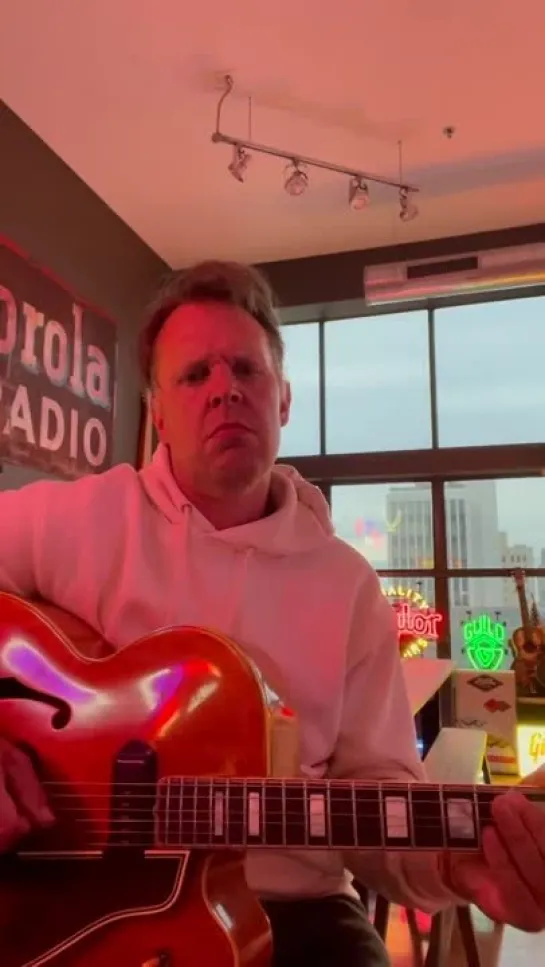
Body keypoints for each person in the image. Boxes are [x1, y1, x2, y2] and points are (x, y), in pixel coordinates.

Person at [0, 260, 544, 967]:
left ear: (283, 398)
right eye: (194, 375)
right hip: (72, 904)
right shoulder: (76, 517)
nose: (224, 388)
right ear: (157, 411)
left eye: (246, 370)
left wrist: (453, 867)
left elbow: (375, 792)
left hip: (296, 909)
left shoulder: (346, 583)